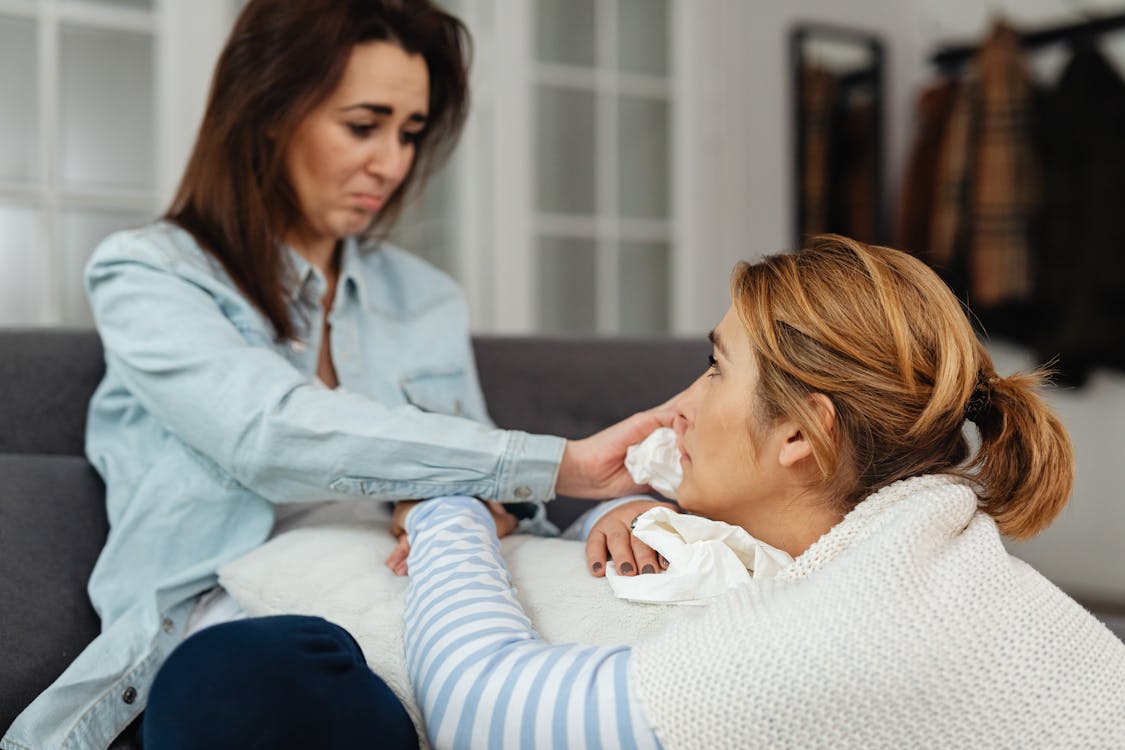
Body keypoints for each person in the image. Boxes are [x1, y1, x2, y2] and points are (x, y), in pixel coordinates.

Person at [0, 2, 677, 748]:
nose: (392, 163)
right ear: (268, 112)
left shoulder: (424, 298)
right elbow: (267, 432)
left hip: (425, 593)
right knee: (245, 681)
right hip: (244, 624)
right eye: (363, 125)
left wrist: (567, 510)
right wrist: (561, 464)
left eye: (409, 133)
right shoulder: (149, 273)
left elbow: (480, 475)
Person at [396, 235, 1125, 749]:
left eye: (714, 370)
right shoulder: (925, 550)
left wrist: (447, 506)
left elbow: (480, 711)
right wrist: (628, 508)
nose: (678, 403)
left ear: (801, 436)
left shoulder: (843, 633)